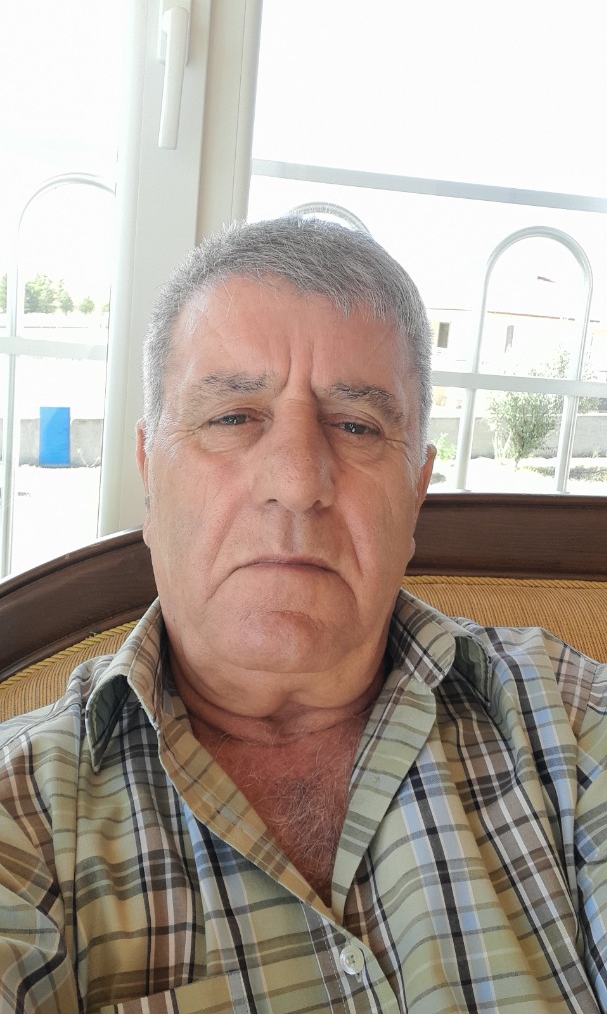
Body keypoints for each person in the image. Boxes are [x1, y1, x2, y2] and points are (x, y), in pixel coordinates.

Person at [0, 217, 606, 1014]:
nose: (295, 481)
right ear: (150, 472)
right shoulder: (22, 811)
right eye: (231, 417)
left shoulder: (568, 721)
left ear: (415, 492)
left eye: (356, 426)